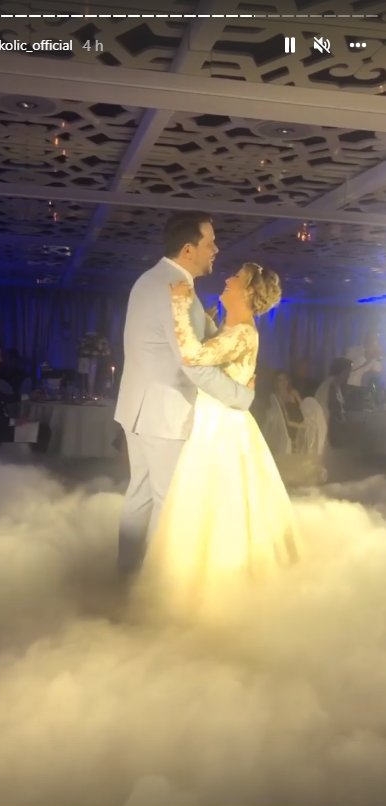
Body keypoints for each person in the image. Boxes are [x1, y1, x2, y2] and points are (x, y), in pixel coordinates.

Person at [140, 263, 299, 624]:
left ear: (248, 292)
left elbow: (193, 356)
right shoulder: (235, 330)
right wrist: (209, 323)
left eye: (236, 278)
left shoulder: (242, 333)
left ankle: (214, 589)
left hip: (221, 427)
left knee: (214, 501)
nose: (227, 279)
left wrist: (180, 305)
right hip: (219, 419)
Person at [115, 212, 254, 575]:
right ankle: (156, 589)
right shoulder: (179, 291)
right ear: (189, 249)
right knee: (169, 503)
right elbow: (194, 365)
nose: (216, 250)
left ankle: (126, 576)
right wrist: (241, 396)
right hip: (164, 413)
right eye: (211, 243)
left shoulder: (148, 279)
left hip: (136, 407)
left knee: (141, 495)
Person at [272, 371, 306, 452]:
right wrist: (301, 426)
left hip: (301, 422)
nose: (283, 382)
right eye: (280, 380)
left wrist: (306, 422)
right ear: (276, 383)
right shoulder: (277, 398)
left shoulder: (294, 393)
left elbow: (304, 408)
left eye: (285, 379)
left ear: (288, 381)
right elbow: (286, 421)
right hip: (290, 428)